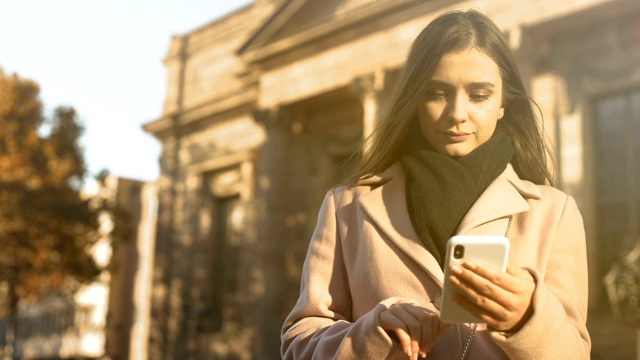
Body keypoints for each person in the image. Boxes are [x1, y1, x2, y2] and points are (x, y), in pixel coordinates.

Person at [281, 9, 590, 360]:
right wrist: (374, 333)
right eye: (437, 92)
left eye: (479, 95)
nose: (457, 113)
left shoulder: (553, 211)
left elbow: (576, 353)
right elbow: (299, 345)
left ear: (503, 103)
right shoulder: (347, 206)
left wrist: (527, 318)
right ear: (414, 100)